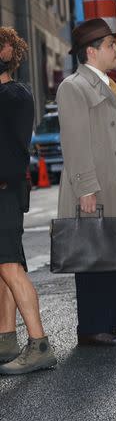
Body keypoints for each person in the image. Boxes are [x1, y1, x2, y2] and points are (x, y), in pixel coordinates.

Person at [56, 18, 116, 347]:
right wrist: (86, 187)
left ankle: (115, 318)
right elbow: (75, 142)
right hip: (96, 182)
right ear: (91, 52)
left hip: (115, 179)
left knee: (113, 250)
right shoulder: (73, 87)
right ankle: (92, 326)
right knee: (93, 253)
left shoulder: (105, 83)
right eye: (110, 45)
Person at [0, 28, 57, 375]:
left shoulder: (12, 95)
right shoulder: (10, 94)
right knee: (3, 266)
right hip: (7, 191)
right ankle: (6, 339)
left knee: (9, 265)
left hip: (5, 191)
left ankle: (39, 344)